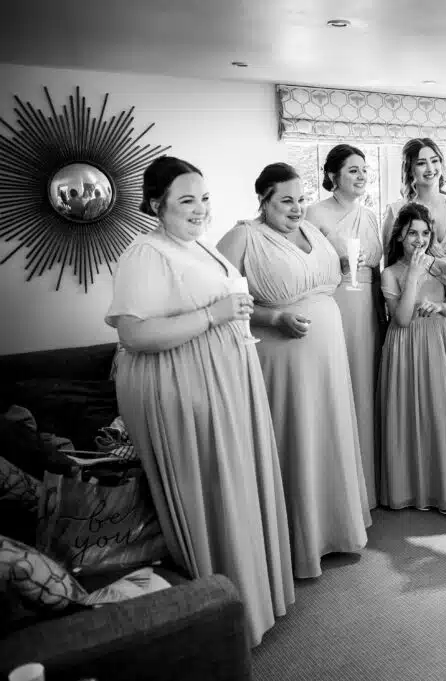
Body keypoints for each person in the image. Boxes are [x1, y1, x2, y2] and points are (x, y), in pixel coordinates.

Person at [105, 155, 293, 647]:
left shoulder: (199, 247)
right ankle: (221, 611)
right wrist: (215, 315)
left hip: (221, 379)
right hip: (183, 386)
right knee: (212, 488)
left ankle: (250, 592)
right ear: (156, 204)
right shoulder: (145, 252)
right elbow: (134, 333)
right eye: (186, 199)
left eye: (204, 198)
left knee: (233, 482)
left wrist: (231, 315)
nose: (200, 208)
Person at [218, 162, 371, 580]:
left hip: (328, 359)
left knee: (328, 434)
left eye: (300, 198)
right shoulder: (243, 237)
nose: (296, 207)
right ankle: (297, 542)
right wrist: (273, 318)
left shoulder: (314, 232)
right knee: (297, 436)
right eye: (286, 200)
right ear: (263, 201)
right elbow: (217, 303)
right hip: (283, 358)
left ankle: (335, 529)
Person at [306, 143, 385, 509]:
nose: (361, 175)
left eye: (364, 169)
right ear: (333, 175)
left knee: (369, 385)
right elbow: (306, 266)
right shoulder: (314, 213)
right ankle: (340, 485)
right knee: (343, 384)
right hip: (336, 299)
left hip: (369, 303)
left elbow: (382, 268)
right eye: (353, 170)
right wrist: (335, 260)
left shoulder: (370, 215)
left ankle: (370, 481)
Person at [378, 203, 446, 512]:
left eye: (425, 233)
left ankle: (440, 491)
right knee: (408, 416)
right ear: (400, 235)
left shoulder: (441, 267)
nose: (419, 240)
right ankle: (410, 492)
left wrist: (440, 307)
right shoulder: (390, 274)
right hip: (405, 347)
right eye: (412, 233)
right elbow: (401, 319)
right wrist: (413, 275)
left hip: (437, 344)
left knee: (439, 415)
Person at [382, 138, 446, 317]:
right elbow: (389, 264)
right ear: (410, 169)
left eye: (435, 160)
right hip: (416, 299)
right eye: (421, 163)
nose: (431, 169)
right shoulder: (396, 211)